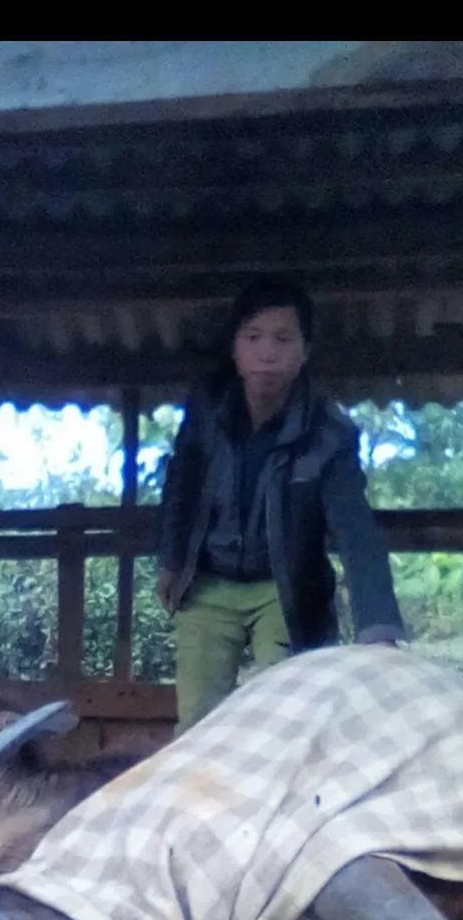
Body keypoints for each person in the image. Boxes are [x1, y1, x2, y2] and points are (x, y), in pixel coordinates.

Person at [156, 275, 405, 732]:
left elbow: (356, 530)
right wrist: (171, 561)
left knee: (285, 720)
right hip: (207, 582)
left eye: (283, 339)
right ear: (235, 349)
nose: (267, 353)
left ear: (304, 351)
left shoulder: (329, 432)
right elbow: (181, 482)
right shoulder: (207, 407)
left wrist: (378, 628)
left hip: (285, 589)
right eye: (253, 338)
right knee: (197, 724)